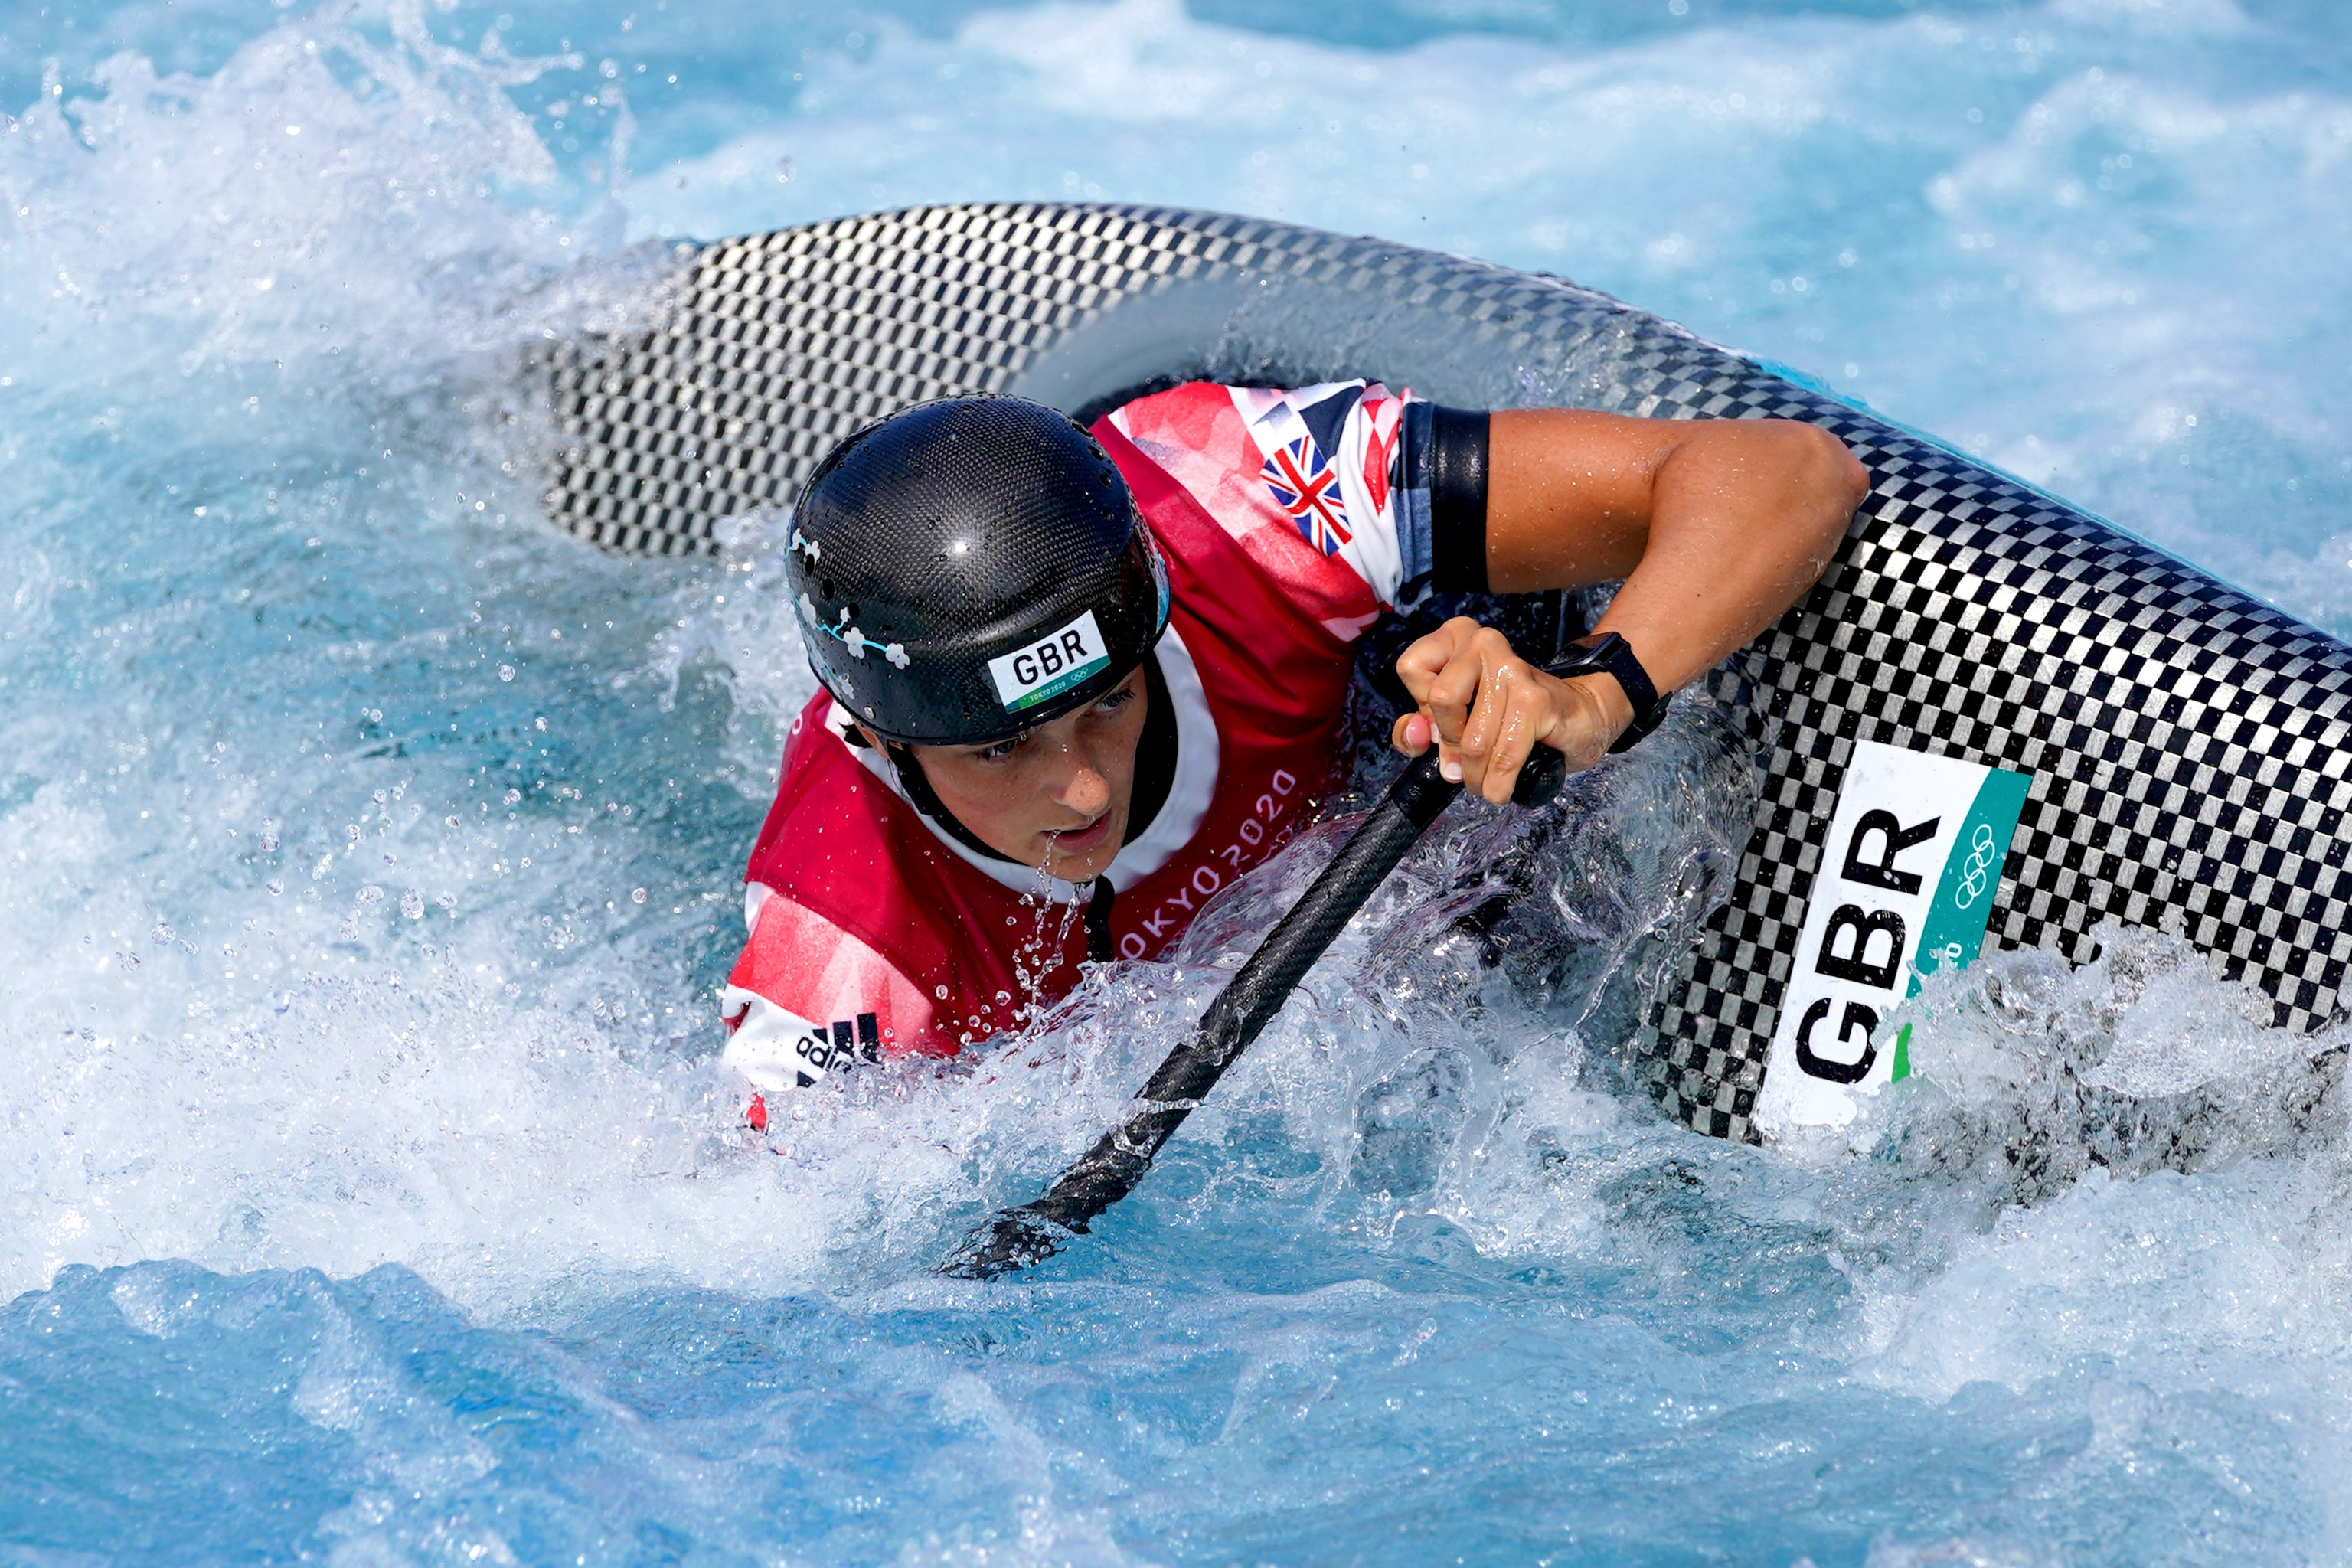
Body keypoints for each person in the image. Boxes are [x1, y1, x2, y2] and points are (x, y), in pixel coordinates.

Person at [721, 382, 1867, 1108]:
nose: (1081, 787)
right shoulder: (839, 940)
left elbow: (1791, 470)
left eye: (1109, 704)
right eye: (1000, 753)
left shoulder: (1238, 503)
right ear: (881, 738)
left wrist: (1598, 693)